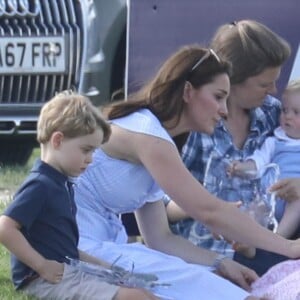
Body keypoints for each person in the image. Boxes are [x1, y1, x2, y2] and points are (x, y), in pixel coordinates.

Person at [74, 44, 300, 300]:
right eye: (218, 96)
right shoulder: (148, 135)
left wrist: (218, 262)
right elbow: (210, 212)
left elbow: (160, 238)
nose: (224, 110)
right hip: (79, 251)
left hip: (107, 248)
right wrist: (289, 247)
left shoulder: (159, 138)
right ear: (188, 91)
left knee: (220, 285)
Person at [0, 91, 157, 300]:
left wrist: (105, 267)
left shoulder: (62, 184)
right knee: (133, 297)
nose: (90, 159)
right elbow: (5, 228)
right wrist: (41, 265)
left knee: (143, 291)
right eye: (86, 150)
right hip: (41, 279)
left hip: (68, 270)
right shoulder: (40, 184)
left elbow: (64, 248)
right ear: (57, 140)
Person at [166, 19, 293, 275]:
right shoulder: (192, 124)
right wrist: (209, 204)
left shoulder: (274, 113)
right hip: (203, 254)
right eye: (264, 84)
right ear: (233, 79)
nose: (274, 90)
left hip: (266, 246)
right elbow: (160, 209)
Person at [230, 78, 300, 240]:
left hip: (294, 198)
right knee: (254, 206)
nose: (287, 116)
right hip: (269, 196)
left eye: (297, 112)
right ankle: (248, 241)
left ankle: (278, 240)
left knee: (298, 202)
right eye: (284, 110)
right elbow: (258, 162)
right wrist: (242, 168)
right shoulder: (275, 141)